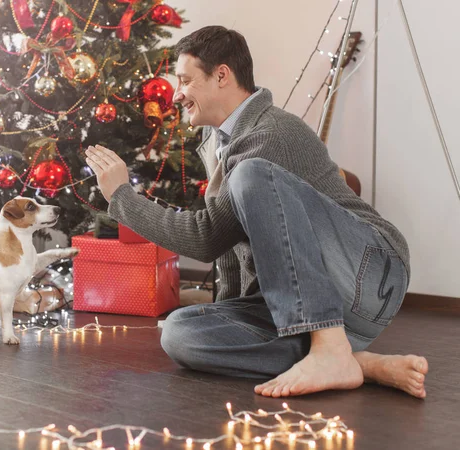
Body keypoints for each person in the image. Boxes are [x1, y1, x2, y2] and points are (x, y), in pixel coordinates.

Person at [85, 26, 428, 398]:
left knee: (250, 175)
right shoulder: (220, 140)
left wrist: (121, 196)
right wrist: (225, 318)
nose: (176, 94)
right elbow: (230, 246)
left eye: (185, 80)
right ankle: (355, 360)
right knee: (180, 333)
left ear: (221, 75)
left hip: (372, 273)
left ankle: (331, 349)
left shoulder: (271, 133)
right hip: (328, 307)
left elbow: (206, 238)